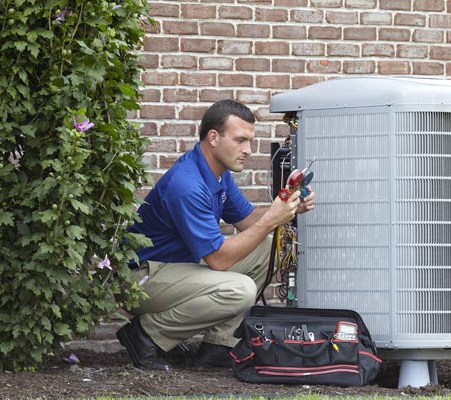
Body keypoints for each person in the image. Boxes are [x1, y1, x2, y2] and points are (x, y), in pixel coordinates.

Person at [116, 99, 315, 370]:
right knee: (239, 290)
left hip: (174, 268)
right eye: (240, 140)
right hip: (140, 279)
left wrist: (288, 208)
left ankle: (218, 347)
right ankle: (146, 335)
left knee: (269, 247)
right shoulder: (188, 184)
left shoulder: (216, 174)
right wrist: (271, 219)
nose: (247, 150)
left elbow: (247, 222)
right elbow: (218, 260)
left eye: (250, 142)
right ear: (213, 137)